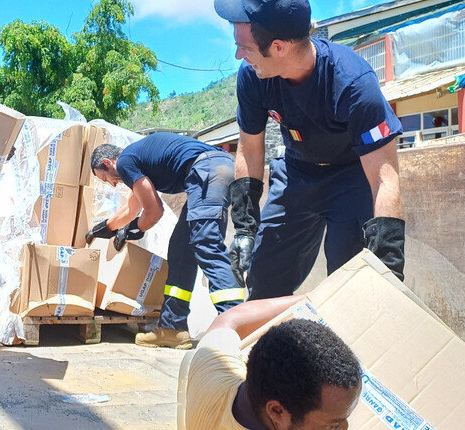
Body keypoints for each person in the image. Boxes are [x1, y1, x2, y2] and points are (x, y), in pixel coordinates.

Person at [213, 0, 406, 301]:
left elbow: (384, 178)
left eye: (245, 48)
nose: (239, 55)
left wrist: (389, 265)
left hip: (352, 177)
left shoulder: (353, 84)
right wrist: (244, 229)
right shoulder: (252, 77)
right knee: (264, 280)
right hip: (296, 174)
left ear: (278, 47)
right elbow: (249, 150)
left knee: (351, 288)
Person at [86, 132, 244, 349]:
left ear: (108, 162)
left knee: (206, 244)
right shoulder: (134, 161)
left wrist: (132, 230)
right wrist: (107, 229)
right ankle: (172, 328)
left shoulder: (124, 163)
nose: (112, 185)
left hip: (208, 171)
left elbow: (154, 211)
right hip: (214, 170)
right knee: (181, 249)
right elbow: (133, 208)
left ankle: (237, 328)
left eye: (106, 178)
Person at [177, 295, 362, 430]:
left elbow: (229, 320)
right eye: (332, 427)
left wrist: (317, 296)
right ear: (277, 412)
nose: (344, 428)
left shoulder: (211, 369)